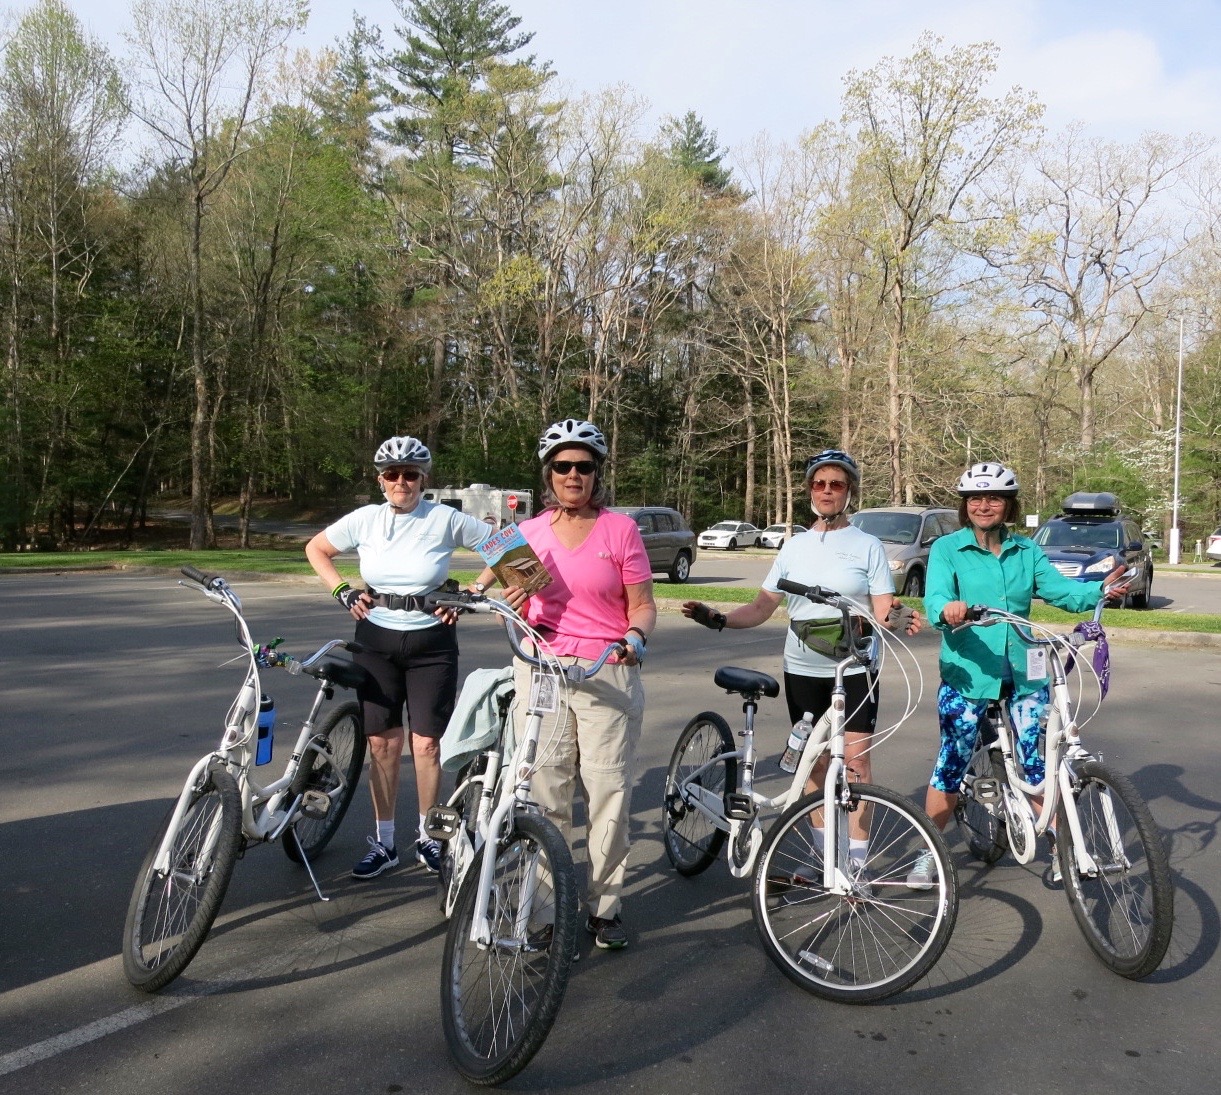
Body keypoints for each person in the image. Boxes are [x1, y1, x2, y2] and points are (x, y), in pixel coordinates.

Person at [683, 449, 918, 872]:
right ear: (809, 490)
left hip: (853, 670)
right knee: (814, 762)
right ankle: (823, 856)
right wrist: (718, 619)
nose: (826, 491)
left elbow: (884, 607)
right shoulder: (794, 546)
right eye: (818, 484)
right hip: (802, 670)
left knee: (857, 763)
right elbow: (761, 607)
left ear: (849, 492)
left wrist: (901, 618)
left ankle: (856, 863)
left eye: (836, 484)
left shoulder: (867, 546)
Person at [471, 419, 656, 950]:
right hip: (542, 667)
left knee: (608, 794)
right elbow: (485, 585)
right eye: (563, 467)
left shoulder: (621, 530)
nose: (573, 475)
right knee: (546, 795)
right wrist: (490, 599)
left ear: (598, 474)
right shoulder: (524, 534)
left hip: (607, 669)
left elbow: (642, 604)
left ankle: (604, 907)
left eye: (584, 467)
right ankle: (548, 910)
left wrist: (636, 638)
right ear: (548, 474)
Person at [907, 461, 1127, 888]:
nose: (984, 506)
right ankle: (928, 852)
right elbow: (936, 599)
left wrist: (1099, 590)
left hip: (1026, 670)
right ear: (964, 504)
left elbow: (1061, 591)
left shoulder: (1026, 550)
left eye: (994, 499)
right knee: (951, 763)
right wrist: (948, 610)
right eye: (975, 498)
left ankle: (1062, 847)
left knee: (1038, 760)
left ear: (1009, 506)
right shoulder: (948, 549)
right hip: (968, 672)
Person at [305, 436, 492, 880]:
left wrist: (472, 593)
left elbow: (514, 549)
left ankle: (429, 837)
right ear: (381, 480)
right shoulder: (366, 520)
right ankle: (384, 843)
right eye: (393, 474)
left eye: (411, 474)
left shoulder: (446, 518)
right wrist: (341, 589)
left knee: (426, 744)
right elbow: (317, 549)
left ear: (424, 479)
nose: (401, 482)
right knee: (382, 745)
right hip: (375, 641)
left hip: (432, 643)